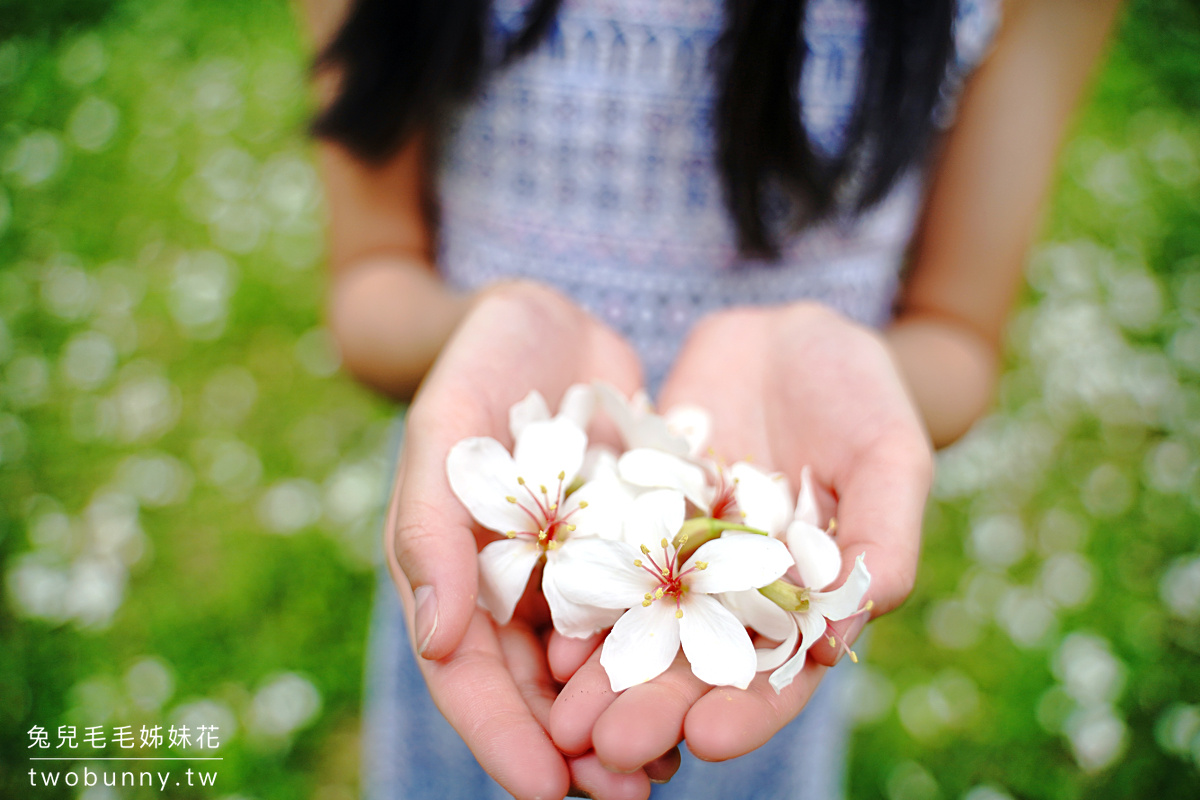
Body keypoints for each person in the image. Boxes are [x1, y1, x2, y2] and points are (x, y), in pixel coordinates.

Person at [299, 1, 1123, 798]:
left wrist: (857, 384)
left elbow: (958, 332)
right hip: (483, 542)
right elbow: (371, 272)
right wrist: (483, 326)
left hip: (757, 600)